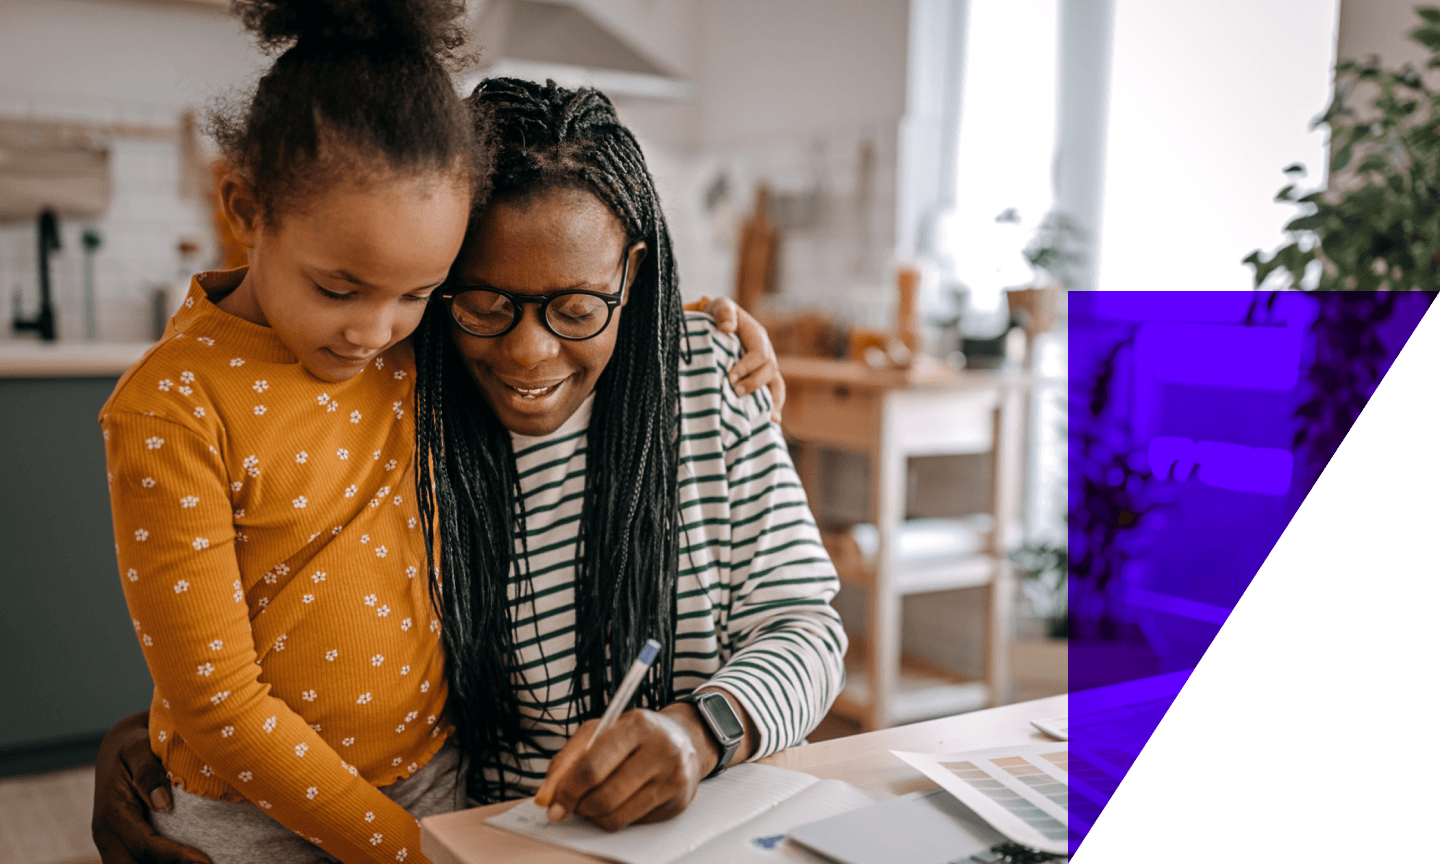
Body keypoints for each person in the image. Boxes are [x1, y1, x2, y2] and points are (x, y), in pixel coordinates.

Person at [92, 1, 781, 860]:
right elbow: (217, 700)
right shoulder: (180, 406)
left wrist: (691, 322)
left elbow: (561, 297)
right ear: (242, 206)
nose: (374, 329)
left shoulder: (417, 347)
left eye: (417, 293)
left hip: (433, 778)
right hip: (256, 815)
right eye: (340, 288)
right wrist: (408, 850)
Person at [411, 78, 845, 829]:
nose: (528, 352)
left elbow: (806, 629)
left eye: (575, 310)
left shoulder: (712, 376)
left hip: (723, 818)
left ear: (631, 276)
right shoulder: (408, 414)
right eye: (485, 306)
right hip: (513, 835)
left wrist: (700, 730)